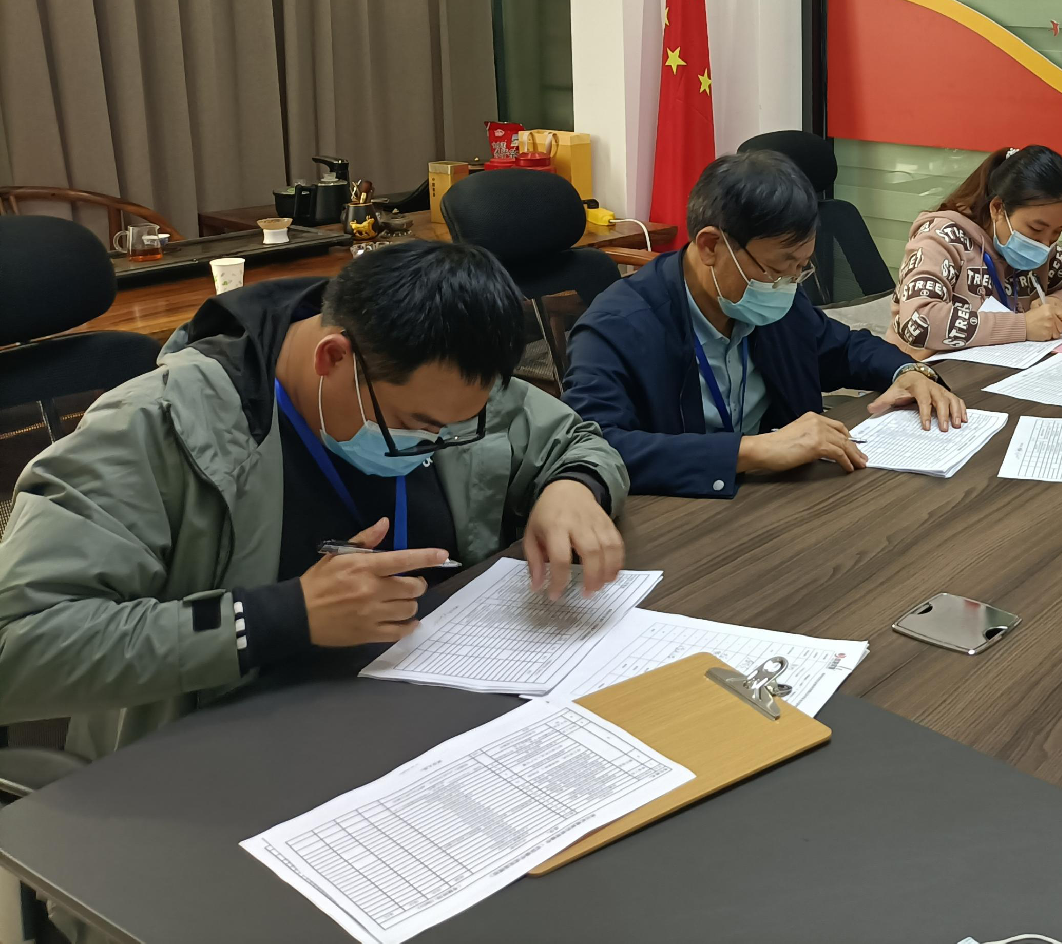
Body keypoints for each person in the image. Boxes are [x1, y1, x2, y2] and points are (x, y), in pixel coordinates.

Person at [0, 241, 628, 762]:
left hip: (426, 715)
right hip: (227, 757)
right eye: (415, 426)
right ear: (333, 358)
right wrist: (283, 616)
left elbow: (573, 439)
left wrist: (573, 488)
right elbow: (19, 646)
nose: (433, 443)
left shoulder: (440, 374)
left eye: (454, 429)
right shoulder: (159, 425)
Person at [564, 150, 967, 498]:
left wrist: (907, 371)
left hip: (778, 499)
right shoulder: (619, 326)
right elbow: (594, 446)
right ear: (710, 246)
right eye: (778, 267)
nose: (787, 284)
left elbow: (842, 348)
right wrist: (752, 450)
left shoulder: (774, 296)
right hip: (682, 513)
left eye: (800, 267)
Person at [891, 144, 1062, 355]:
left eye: (1057, 232)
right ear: (997, 209)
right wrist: (1024, 326)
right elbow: (918, 321)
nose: (1044, 244)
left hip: (998, 370)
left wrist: (1059, 302)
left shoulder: (1042, 254)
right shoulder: (941, 239)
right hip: (923, 376)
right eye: (1036, 229)